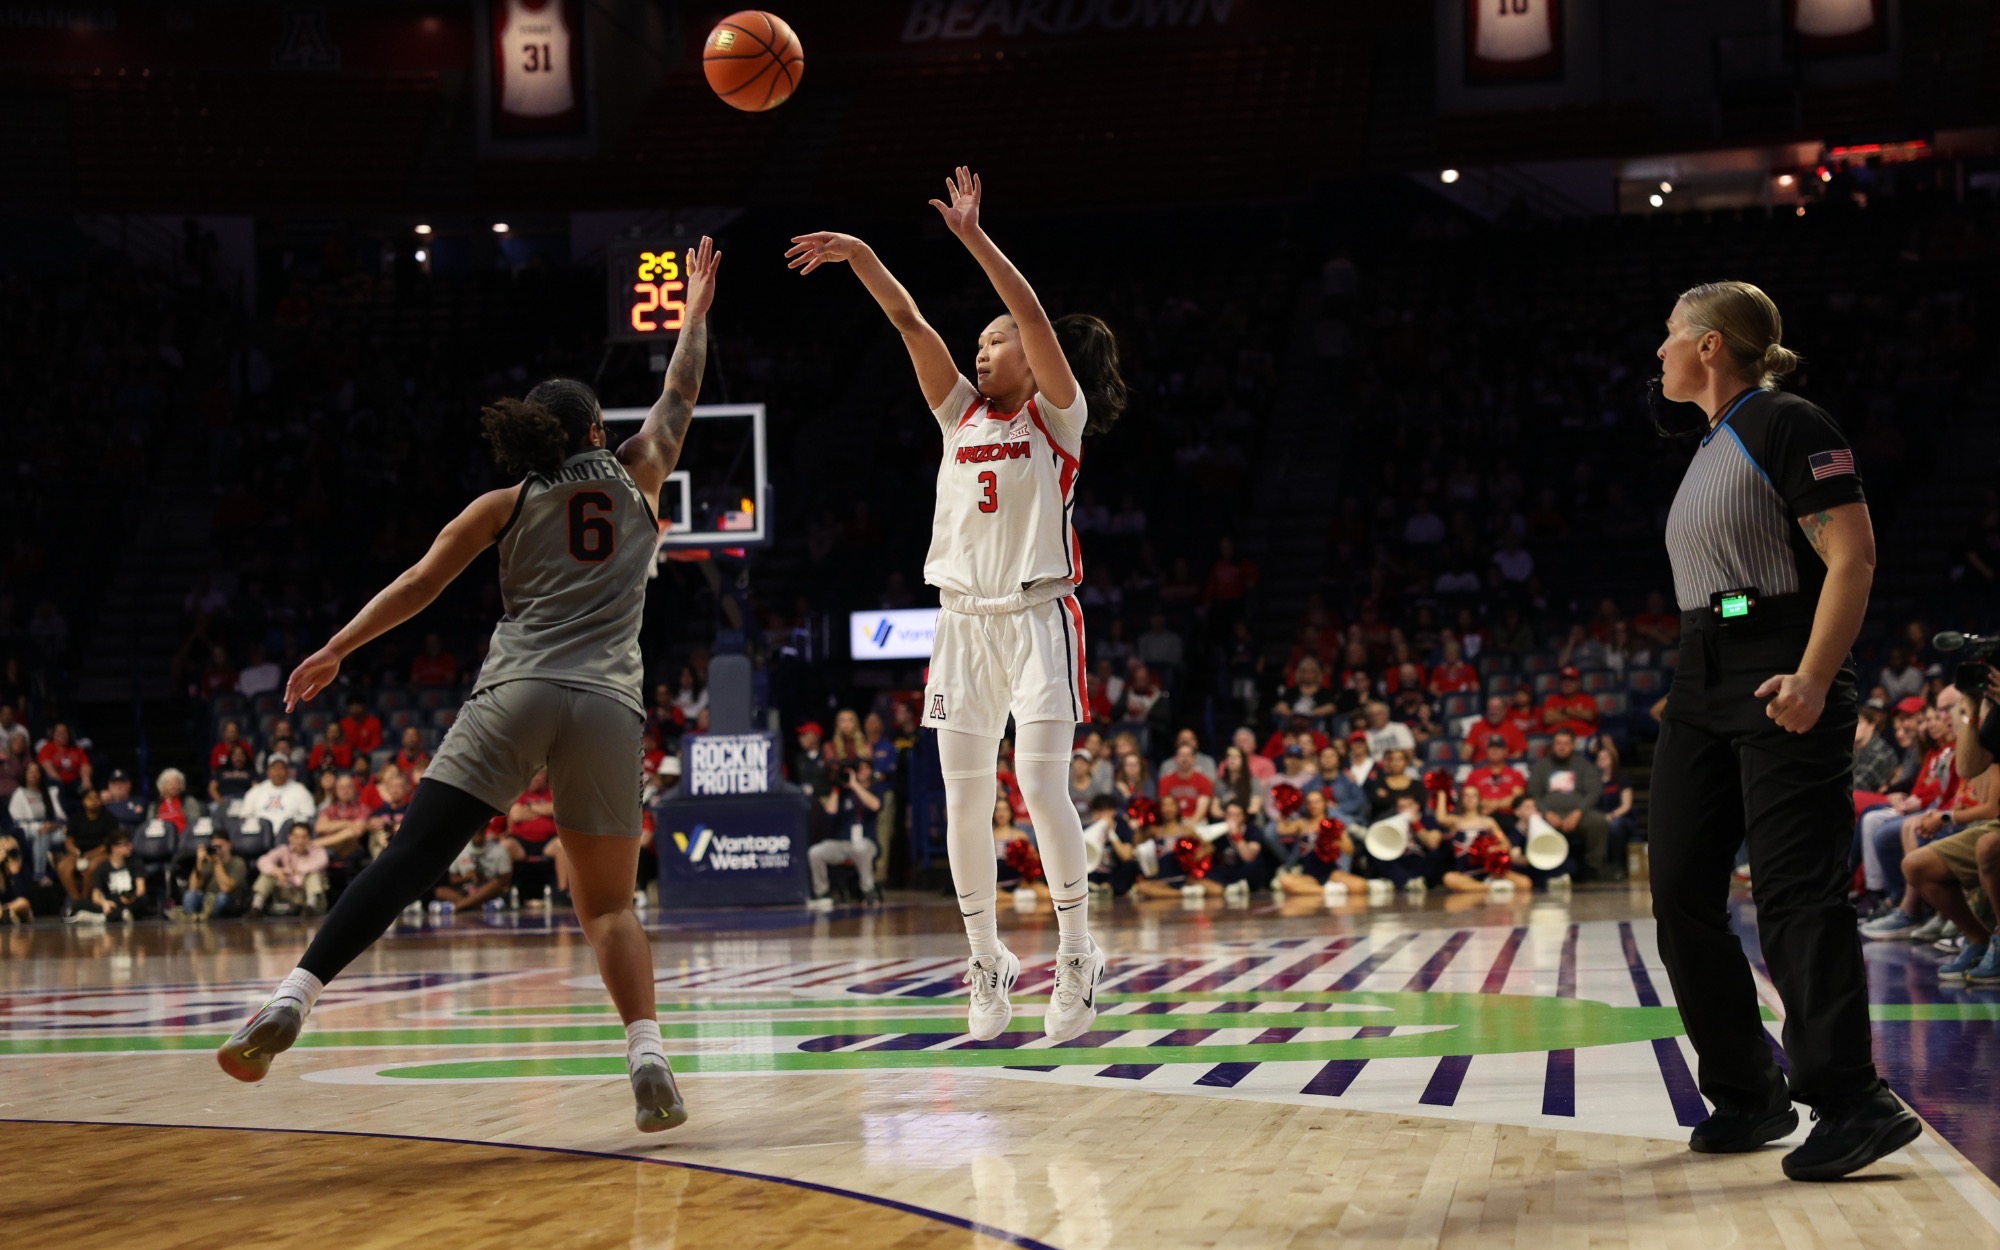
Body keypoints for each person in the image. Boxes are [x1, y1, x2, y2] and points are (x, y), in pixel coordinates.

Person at [216, 238, 724, 1136]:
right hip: (607, 705)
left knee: (412, 858)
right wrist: (693, 310)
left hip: (518, 688)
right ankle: (646, 1052)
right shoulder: (641, 475)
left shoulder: (507, 503)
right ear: (599, 432)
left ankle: (293, 997)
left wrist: (337, 647)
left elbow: (416, 586)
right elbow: (680, 390)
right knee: (608, 904)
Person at [790, 171, 1129, 1043]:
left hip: (1039, 619)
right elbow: (909, 321)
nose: (982, 352)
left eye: (995, 340)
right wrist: (862, 254)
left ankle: (1079, 954)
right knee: (962, 798)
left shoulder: (1059, 417)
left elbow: (1037, 319)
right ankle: (986, 961)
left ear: (1032, 353)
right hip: (963, 623)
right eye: (978, 342)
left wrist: (976, 239)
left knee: (1040, 787)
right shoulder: (957, 416)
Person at [1647, 279, 1917, 1178]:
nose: (1660, 352)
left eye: (1671, 336)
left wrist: (1812, 675)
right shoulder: (1709, 443)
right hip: (1704, 670)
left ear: (1712, 345)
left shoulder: (1789, 421)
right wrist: (1693, 675)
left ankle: (1851, 1099)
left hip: (1781, 662)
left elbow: (1854, 557)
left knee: (1796, 892)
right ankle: (1749, 1092)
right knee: (1681, 888)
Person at [1527, 731, 1613, 881]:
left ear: (1573, 746)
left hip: (1579, 813)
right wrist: (1546, 813)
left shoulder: (1584, 765)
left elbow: (1593, 792)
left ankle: (1593, 868)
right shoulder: (1541, 766)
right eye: (1558, 743)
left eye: (1566, 744)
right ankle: (1542, 869)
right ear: (1553, 746)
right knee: (1531, 822)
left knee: (1599, 822)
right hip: (1548, 814)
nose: (1562, 747)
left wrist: (1578, 812)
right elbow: (1533, 793)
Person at [807, 758, 885, 908]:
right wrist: (837, 787)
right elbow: (829, 812)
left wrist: (855, 785)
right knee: (815, 852)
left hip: (866, 843)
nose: (862, 772)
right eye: (859, 769)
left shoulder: (875, 789)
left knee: (860, 848)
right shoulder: (843, 792)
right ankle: (822, 893)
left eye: (865, 769)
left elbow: (875, 805)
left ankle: (868, 891)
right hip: (843, 843)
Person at [251, 822, 330, 917]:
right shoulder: (283, 850)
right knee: (266, 875)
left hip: (306, 894)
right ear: (290, 837)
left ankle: (310, 908)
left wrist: (292, 872)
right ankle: (256, 908)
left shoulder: (318, 851)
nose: (300, 841)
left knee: (314, 875)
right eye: (296, 837)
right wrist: (276, 871)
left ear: (309, 838)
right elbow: (262, 861)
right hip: (288, 892)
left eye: (304, 837)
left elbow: (321, 862)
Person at [435, 823, 515, 914]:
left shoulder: (498, 849)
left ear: (485, 831)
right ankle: (480, 906)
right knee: (440, 891)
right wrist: (466, 878)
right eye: (476, 833)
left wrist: (485, 878)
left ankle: (458, 906)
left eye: (481, 833)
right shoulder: (460, 849)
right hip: (466, 890)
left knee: (495, 885)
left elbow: (505, 880)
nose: (478, 838)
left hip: (487, 891)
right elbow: (452, 879)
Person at [69, 830, 143, 924]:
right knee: (77, 904)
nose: (130, 847)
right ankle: (115, 915)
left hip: (130, 900)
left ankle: (103, 918)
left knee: (141, 902)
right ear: (114, 848)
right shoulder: (102, 868)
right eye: (126, 844)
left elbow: (141, 890)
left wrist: (132, 898)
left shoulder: (135, 863)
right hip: (111, 901)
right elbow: (96, 896)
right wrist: (104, 903)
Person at [183, 828, 250, 920]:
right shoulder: (209, 863)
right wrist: (198, 862)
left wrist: (217, 864)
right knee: (190, 895)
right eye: (215, 847)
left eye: (220, 846)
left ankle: (205, 916)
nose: (218, 850)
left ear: (229, 845)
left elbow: (226, 888)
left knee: (222, 897)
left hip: (230, 901)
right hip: (207, 899)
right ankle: (192, 917)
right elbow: (193, 887)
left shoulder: (238, 862)